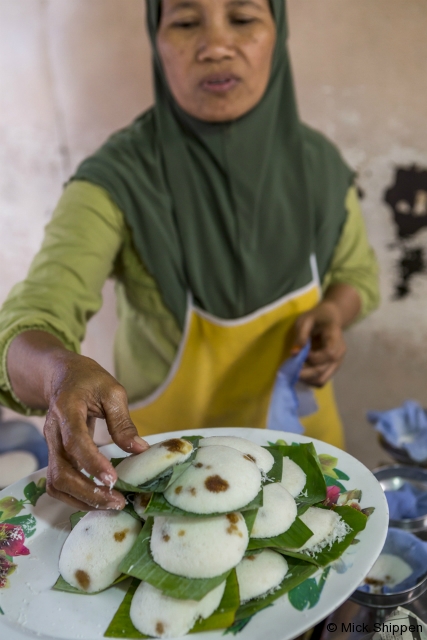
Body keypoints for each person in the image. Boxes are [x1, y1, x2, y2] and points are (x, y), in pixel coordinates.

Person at [0, 0, 379, 511]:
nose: (216, 46)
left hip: (304, 458)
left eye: (243, 19)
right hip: (169, 474)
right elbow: (32, 316)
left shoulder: (320, 169)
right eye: (184, 22)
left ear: (277, 33)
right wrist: (57, 373)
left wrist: (332, 313)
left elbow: (358, 274)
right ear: (156, 41)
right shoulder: (118, 180)